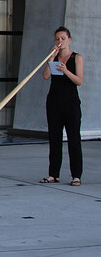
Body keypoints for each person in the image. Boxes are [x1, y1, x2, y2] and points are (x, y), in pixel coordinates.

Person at [39, 26, 84, 186]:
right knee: (55, 139)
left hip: (71, 104)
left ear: (69, 40)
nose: (60, 41)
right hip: (54, 103)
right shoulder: (55, 58)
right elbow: (45, 76)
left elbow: (79, 81)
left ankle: (76, 176)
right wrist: (51, 59)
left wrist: (65, 71)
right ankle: (53, 174)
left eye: (63, 38)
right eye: (57, 39)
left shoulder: (76, 57)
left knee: (73, 139)